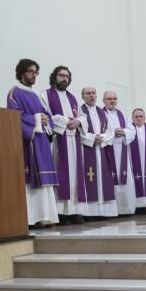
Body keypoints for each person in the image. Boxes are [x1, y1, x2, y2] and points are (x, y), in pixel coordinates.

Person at [6, 58, 58, 228]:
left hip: (41, 140)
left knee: (45, 180)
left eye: (36, 72)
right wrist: (36, 119)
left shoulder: (36, 94)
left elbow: (46, 114)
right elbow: (14, 116)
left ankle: (45, 216)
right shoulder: (15, 92)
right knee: (31, 179)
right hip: (29, 143)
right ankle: (31, 218)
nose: (33, 75)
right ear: (21, 72)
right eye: (30, 71)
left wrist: (45, 120)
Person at [45, 65, 85, 225]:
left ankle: (75, 211)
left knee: (75, 177)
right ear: (54, 77)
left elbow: (82, 116)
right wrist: (64, 121)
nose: (64, 78)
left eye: (67, 76)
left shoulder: (73, 97)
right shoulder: (46, 95)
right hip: (58, 140)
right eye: (61, 75)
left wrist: (78, 121)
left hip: (74, 140)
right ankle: (61, 213)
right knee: (62, 176)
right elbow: (46, 115)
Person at [78, 86, 118, 220]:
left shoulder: (102, 112)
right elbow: (78, 132)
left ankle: (102, 212)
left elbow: (110, 131)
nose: (91, 96)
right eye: (88, 93)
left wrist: (103, 138)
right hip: (86, 150)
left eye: (93, 93)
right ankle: (89, 213)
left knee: (102, 179)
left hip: (100, 150)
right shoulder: (80, 111)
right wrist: (91, 138)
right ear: (83, 96)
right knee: (89, 178)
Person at [103, 91, 137, 217]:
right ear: (104, 100)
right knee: (109, 179)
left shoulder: (122, 114)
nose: (112, 101)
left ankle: (126, 209)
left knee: (125, 179)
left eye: (114, 99)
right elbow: (99, 130)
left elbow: (131, 130)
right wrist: (112, 133)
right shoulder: (101, 114)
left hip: (122, 150)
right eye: (109, 99)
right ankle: (111, 210)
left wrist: (123, 132)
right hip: (108, 150)